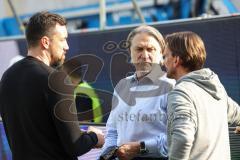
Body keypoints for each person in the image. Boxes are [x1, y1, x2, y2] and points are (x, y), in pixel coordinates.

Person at [0, 11, 104, 160]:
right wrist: (95, 137)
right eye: (62, 40)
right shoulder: (56, 80)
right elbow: (76, 145)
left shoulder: (7, 76)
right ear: (45, 42)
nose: (66, 46)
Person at [100, 25, 175, 160]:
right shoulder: (122, 86)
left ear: (161, 53)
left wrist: (139, 148)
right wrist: (105, 157)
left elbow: (177, 139)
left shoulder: (171, 88)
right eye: (139, 49)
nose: (145, 55)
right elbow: (112, 131)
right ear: (130, 52)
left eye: (150, 49)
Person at [163, 31, 240, 160]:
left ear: (176, 60)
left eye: (165, 57)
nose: (163, 62)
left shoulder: (180, 92)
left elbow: (183, 137)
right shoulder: (217, 89)